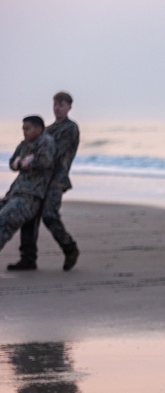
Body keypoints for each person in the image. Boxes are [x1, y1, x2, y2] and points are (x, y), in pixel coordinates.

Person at [7, 91, 80, 271]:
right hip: (40, 180)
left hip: (57, 178)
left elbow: (52, 153)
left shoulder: (70, 128)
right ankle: (28, 258)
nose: (57, 108)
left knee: (49, 214)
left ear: (69, 107)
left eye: (61, 105)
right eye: (55, 104)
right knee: (30, 217)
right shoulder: (48, 129)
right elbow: (32, 147)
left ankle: (69, 247)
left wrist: (33, 160)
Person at [2, 116, 56, 256]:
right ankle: (27, 259)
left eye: (28, 129)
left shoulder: (46, 142)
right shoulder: (24, 144)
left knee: (5, 220)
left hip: (31, 195)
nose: (24, 132)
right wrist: (21, 163)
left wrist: (29, 162)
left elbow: (45, 162)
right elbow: (13, 162)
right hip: (16, 191)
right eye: (23, 129)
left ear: (38, 128)